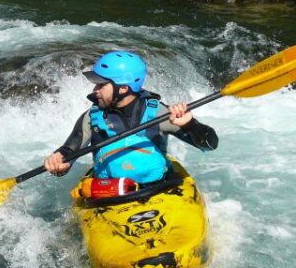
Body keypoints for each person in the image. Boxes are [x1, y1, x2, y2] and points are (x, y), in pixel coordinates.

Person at [43, 51, 218, 189]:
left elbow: (209, 145)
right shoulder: (92, 117)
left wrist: (190, 124)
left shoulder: (158, 113)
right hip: (109, 192)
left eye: (101, 85)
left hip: (159, 188)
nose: (95, 90)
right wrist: (59, 164)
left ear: (124, 88)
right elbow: (68, 153)